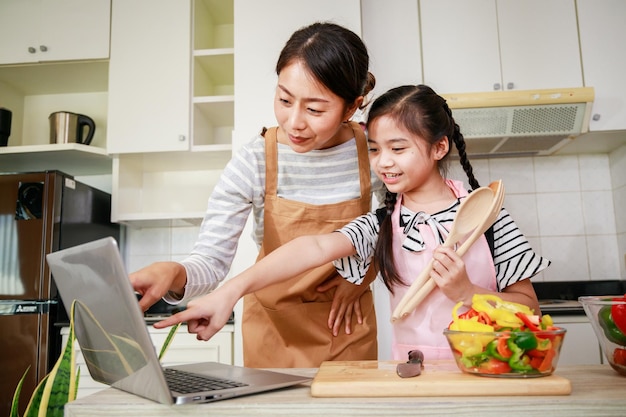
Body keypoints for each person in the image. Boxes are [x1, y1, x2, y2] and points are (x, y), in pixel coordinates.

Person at [153, 84, 549, 361]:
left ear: (438, 147)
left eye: (398, 148)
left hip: (490, 367)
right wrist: (232, 291)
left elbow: (529, 309)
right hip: (412, 371)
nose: (384, 163)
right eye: (375, 150)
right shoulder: (382, 223)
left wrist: (467, 292)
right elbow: (313, 248)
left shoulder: (489, 217)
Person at [130, 22, 387, 368]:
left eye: (314, 109)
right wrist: (174, 273)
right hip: (271, 329)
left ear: (351, 107)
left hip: (346, 323)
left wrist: (364, 276)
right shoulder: (254, 159)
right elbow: (211, 261)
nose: (293, 121)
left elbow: (400, 227)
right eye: (284, 99)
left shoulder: (375, 150)